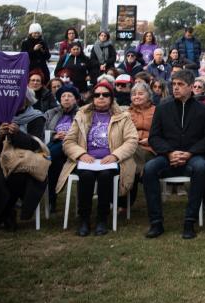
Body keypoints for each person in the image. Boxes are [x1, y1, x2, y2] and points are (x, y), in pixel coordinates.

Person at [142, 69, 205, 240]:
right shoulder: (162, 109)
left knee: (201, 166)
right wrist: (169, 152)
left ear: (191, 87)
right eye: (174, 84)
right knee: (149, 168)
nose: (175, 88)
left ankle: (189, 222)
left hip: (193, 157)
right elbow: (154, 137)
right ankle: (156, 223)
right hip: (167, 156)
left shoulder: (204, 110)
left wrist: (190, 153)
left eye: (180, 85)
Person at [56, 82, 137, 236]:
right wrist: (81, 154)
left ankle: (102, 219)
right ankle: (84, 219)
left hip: (112, 161)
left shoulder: (123, 116)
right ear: (92, 98)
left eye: (105, 95)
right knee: (86, 176)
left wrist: (115, 155)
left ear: (111, 98)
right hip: (86, 161)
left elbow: (132, 141)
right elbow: (68, 141)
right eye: (97, 95)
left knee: (106, 176)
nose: (101, 97)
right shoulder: (81, 115)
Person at [0, 88, 46, 230]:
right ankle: (6, 214)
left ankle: (0, 216)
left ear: (27, 100)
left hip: (23, 159)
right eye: (13, 98)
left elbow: (35, 146)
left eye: (20, 98)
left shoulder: (36, 117)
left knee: (17, 177)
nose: (16, 101)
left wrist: (18, 134)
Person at [43, 84, 80, 212]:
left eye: (70, 96)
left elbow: (84, 132)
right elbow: (44, 132)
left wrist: (69, 135)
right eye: (63, 96)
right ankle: (52, 199)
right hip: (56, 144)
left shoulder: (81, 114)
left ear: (75, 99)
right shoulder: (51, 113)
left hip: (73, 146)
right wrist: (55, 135)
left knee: (52, 157)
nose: (66, 99)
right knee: (55, 164)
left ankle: (52, 200)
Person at [126, 82, 156, 208]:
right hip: (131, 147)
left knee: (130, 162)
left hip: (150, 147)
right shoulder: (126, 112)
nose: (136, 96)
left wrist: (151, 139)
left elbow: (163, 131)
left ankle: (125, 202)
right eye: (134, 94)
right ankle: (140, 175)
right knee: (130, 156)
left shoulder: (157, 111)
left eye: (140, 94)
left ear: (149, 96)